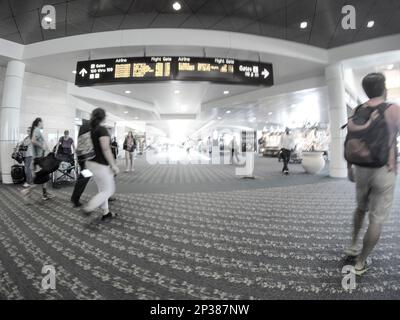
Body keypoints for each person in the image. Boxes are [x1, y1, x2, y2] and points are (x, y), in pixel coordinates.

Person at [345, 73, 400, 275]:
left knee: (360, 209)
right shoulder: (393, 109)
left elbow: (351, 138)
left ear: (365, 90)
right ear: (384, 88)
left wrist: (348, 167)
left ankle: (352, 245)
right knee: (376, 219)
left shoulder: (358, 109)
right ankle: (360, 262)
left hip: (361, 168)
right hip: (384, 169)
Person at [82, 108, 119, 221]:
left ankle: (106, 212)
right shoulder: (101, 130)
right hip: (100, 165)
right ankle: (89, 207)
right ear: (103, 117)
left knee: (102, 189)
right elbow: (106, 149)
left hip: (89, 163)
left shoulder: (90, 129)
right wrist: (113, 165)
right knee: (108, 190)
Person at [21, 118, 54, 200]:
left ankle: (44, 194)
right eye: (42, 122)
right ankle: (27, 191)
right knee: (39, 179)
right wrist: (42, 146)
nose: (43, 124)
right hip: (39, 159)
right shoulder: (37, 130)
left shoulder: (36, 130)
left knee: (44, 177)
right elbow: (33, 141)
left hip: (39, 159)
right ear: (39, 123)